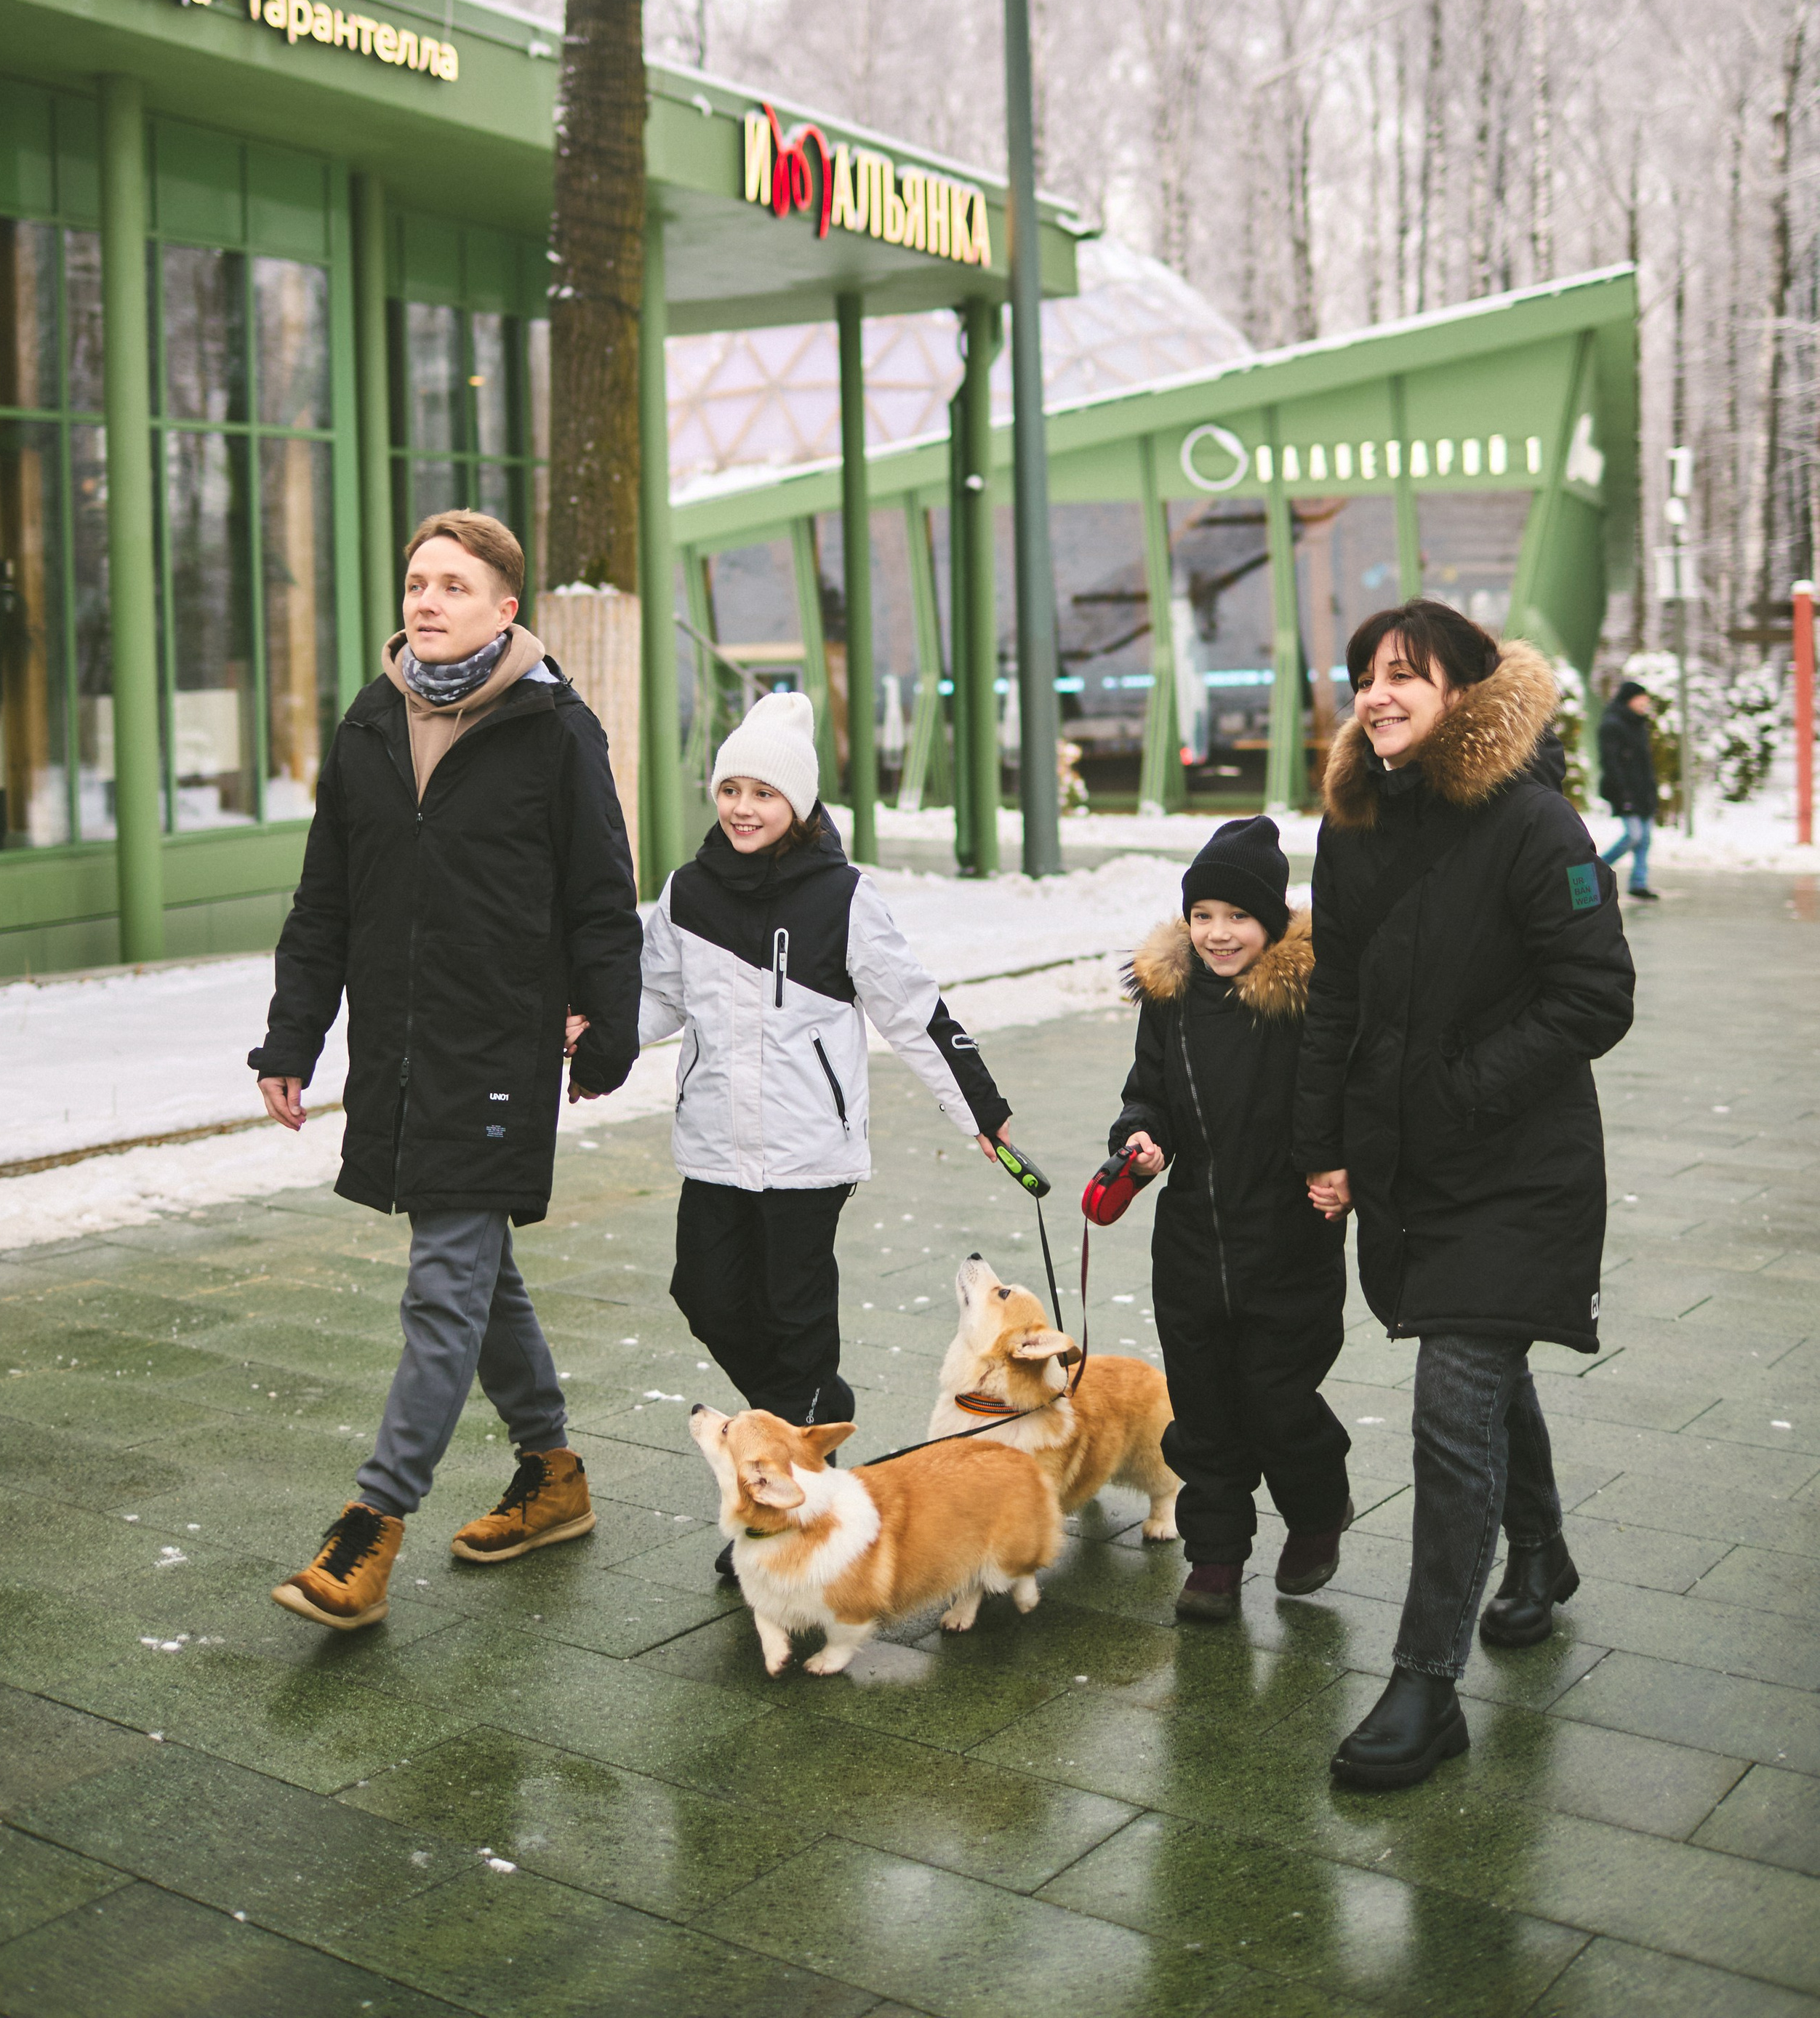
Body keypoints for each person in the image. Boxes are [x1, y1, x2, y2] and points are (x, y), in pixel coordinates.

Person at [252, 511, 642, 1629]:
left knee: (443, 1288)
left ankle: (370, 1527)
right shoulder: (370, 722)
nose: (426, 601)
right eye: (417, 582)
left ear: (505, 608)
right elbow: (326, 900)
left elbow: (601, 896)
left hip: (501, 1051)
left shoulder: (554, 728)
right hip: (398, 1051)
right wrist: (291, 1038)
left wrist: (608, 1032)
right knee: (478, 1276)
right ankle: (553, 1474)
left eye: (454, 586)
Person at [1294, 602, 1634, 1790]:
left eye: (1407, 674)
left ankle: (1425, 1686)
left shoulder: (1536, 823)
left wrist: (1456, 1091)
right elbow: (1334, 995)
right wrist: (1324, 1141)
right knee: (1478, 1371)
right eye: (1365, 677)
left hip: (1518, 1167)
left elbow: (1596, 994)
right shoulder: (1351, 827)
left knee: (1452, 1405)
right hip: (1408, 1166)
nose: (1378, 695)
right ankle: (1538, 1548)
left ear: (1466, 693)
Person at [638, 689, 1017, 1580]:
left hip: (808, 1153)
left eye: (763, 793)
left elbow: (913, 1011)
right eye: (731, 789)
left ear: (799, 803)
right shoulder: (688, 892)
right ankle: (811, 1412)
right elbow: (653, 997)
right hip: (713, 1144)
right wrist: (589, 1046)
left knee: (793, 1321)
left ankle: (790, 1502)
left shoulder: (842, 897)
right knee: (705, 1295)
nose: (742, 808)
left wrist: (980, 1111)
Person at [1108, 816, 1349, 1625]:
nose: (1218, 933)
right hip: (1191, 1239)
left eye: (1238, 916)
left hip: (1289, 1238)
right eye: (1203, 915)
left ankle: (1316, 1509)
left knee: (1277, 1399)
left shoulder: (1308, 999)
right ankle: (1214, 1556)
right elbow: (1147, 1092)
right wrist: (1141, 1138)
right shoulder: (1171, 1001)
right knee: (1204, 1407)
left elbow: (1343, 1097)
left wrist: (1342, 1168)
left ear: (1271, 921)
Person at [1598, 678, 1659, 900]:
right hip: (1624, 791)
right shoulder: (1612, 724)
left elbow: (1645, 764)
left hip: (1643, 791)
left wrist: (1651, 792)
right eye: (1641, 699)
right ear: (1629, 700)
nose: (1645, 704)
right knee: (1634, 836)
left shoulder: (1639, 724)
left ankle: (1639, 883)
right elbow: (1610, 762)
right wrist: (1622, 792)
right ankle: (1594, 870)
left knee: (1645, 839)